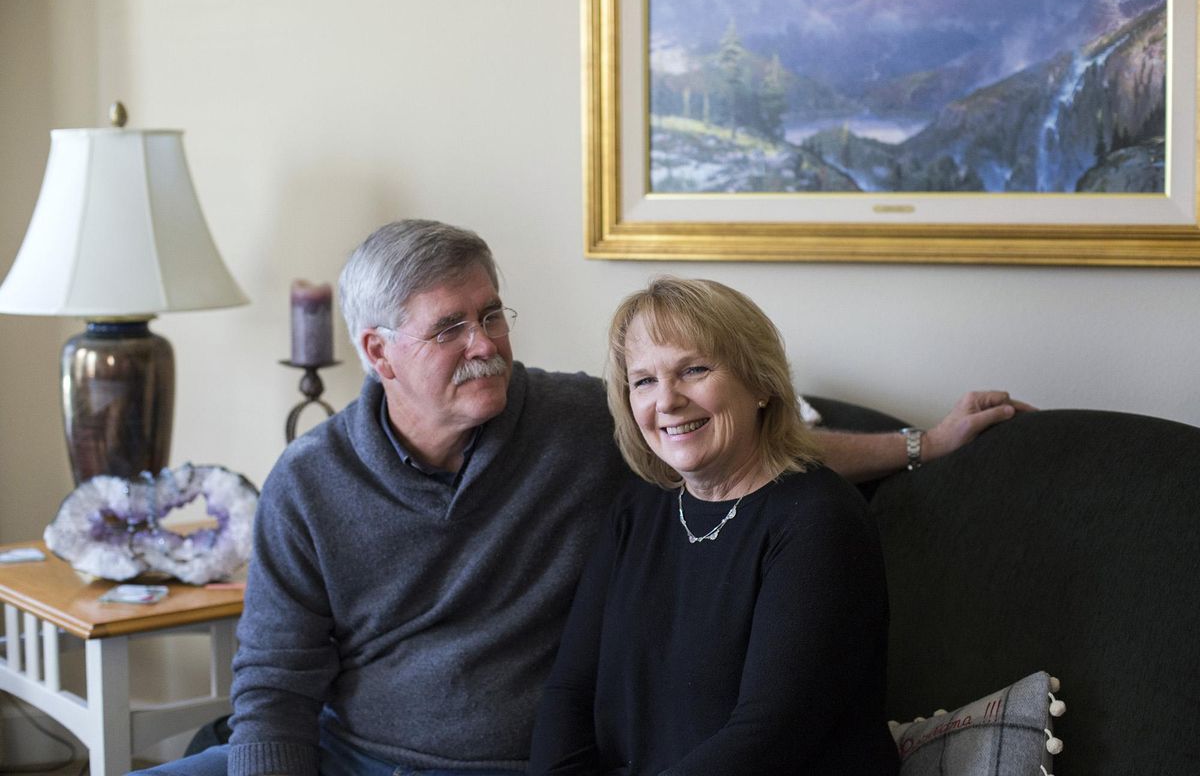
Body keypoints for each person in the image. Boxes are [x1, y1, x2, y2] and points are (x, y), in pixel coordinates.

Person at [131, 220, 1027, 776]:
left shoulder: (575, 421)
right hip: (345, 752)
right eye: (450, 327)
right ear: (378, 352)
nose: (485, 344)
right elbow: (276, 688)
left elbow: (747, 443)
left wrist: (923, 445)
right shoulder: (311, 480)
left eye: (492, 314)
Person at [527, 277, 900, 775]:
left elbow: (770, 735)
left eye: (694, 369)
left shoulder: (820, 519)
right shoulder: (639, 508)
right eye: (643, 380)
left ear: (762, 382)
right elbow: (571, 689)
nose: (667, 400)